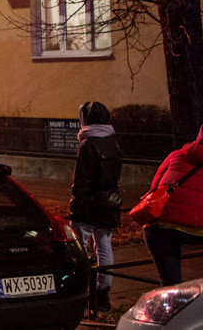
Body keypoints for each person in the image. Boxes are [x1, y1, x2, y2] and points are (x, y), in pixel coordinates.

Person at [69, 101, 123, 309]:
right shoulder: (113, 142)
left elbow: (82, 182)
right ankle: (103, 294)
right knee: (104, 247)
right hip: (109, 202)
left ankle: (82, 290)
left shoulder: (87, 144)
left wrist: (75, 209)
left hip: (89, 205)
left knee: (80, 248)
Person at [142, 124, 203, 286]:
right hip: (198, 225)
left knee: (169, 285)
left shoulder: (177, 155)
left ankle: (172, 306)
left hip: (160, 226)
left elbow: (155, 188)